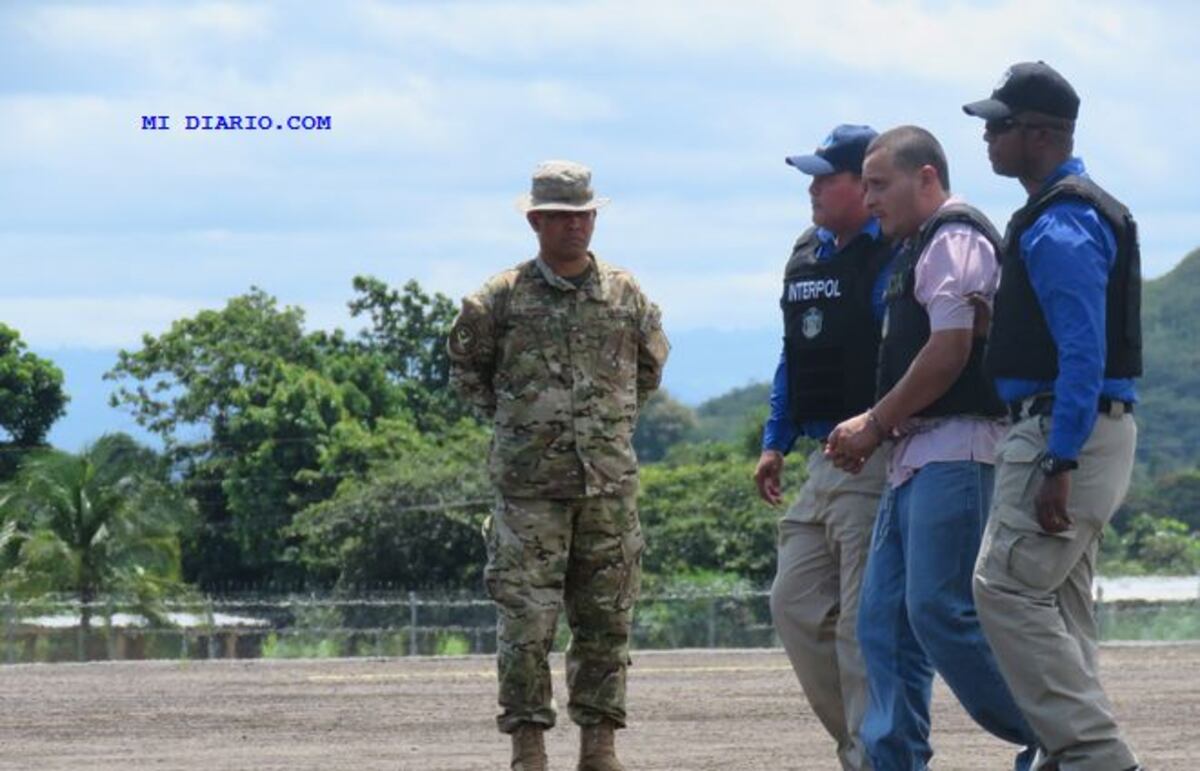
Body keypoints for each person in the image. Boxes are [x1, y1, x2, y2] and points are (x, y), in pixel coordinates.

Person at [825, 126, 1038, 770]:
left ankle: (1062, 731)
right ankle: (894, 762)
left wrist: (874, 422)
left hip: (959, 451)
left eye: (879, 184)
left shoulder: (956, 239)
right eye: (863, 186)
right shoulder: (919, 246)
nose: (869, 199)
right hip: (917, 457)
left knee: (939, 612)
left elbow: (950, 350)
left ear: (927, 178)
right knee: (883, 622)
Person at [447, 160, 670, 771]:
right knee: (526, 625)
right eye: (564, 218)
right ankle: (528, 746)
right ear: (536, 221)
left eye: (585, 216)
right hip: (529, 494)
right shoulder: (499, 299)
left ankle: (600, 746)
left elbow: (647, 370)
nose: (577, 228)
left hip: (607, 489)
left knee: (606, 621)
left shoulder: (625, 295)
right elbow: (469, 374)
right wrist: (527, 426)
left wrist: (603, 425)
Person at [965, 61, 1144, 771]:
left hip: (1063, 432)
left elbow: (1083, 351)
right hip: (1085, 427)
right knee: (1061, 607)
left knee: (1004, 586)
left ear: (1036, 135)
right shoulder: (1069, 213)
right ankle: (1065, 758)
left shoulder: (1060, 225)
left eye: (998, 126)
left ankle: (1096, 756)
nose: (987, 138)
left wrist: (1060, 459)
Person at [753, 124, 893, 771]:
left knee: (863, 625)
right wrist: (774, 439)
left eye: (823, 177)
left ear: (863, 185)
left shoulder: (892, 252)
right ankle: (864, 747)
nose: (811, 188)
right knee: (794, 602)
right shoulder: (806, 253)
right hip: (820, 458)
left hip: (876, 455)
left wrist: (878, 427)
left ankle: (877, 754)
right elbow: (794, 353)